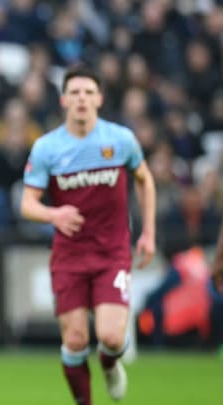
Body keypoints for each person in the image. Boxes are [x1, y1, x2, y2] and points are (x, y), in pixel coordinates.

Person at [20, 67, 156, 405]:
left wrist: (149, 233)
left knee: (110, 338)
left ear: (99, 98)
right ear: (64, 100)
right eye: (75, 93)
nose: (82, 98)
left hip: (112, 253)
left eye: (88, 92)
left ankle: (110, 364)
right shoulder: (47, 148)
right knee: (77, 341)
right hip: (69, 256)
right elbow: (27, 204)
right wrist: (55, 214)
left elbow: (145, 180)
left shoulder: (120, 140)